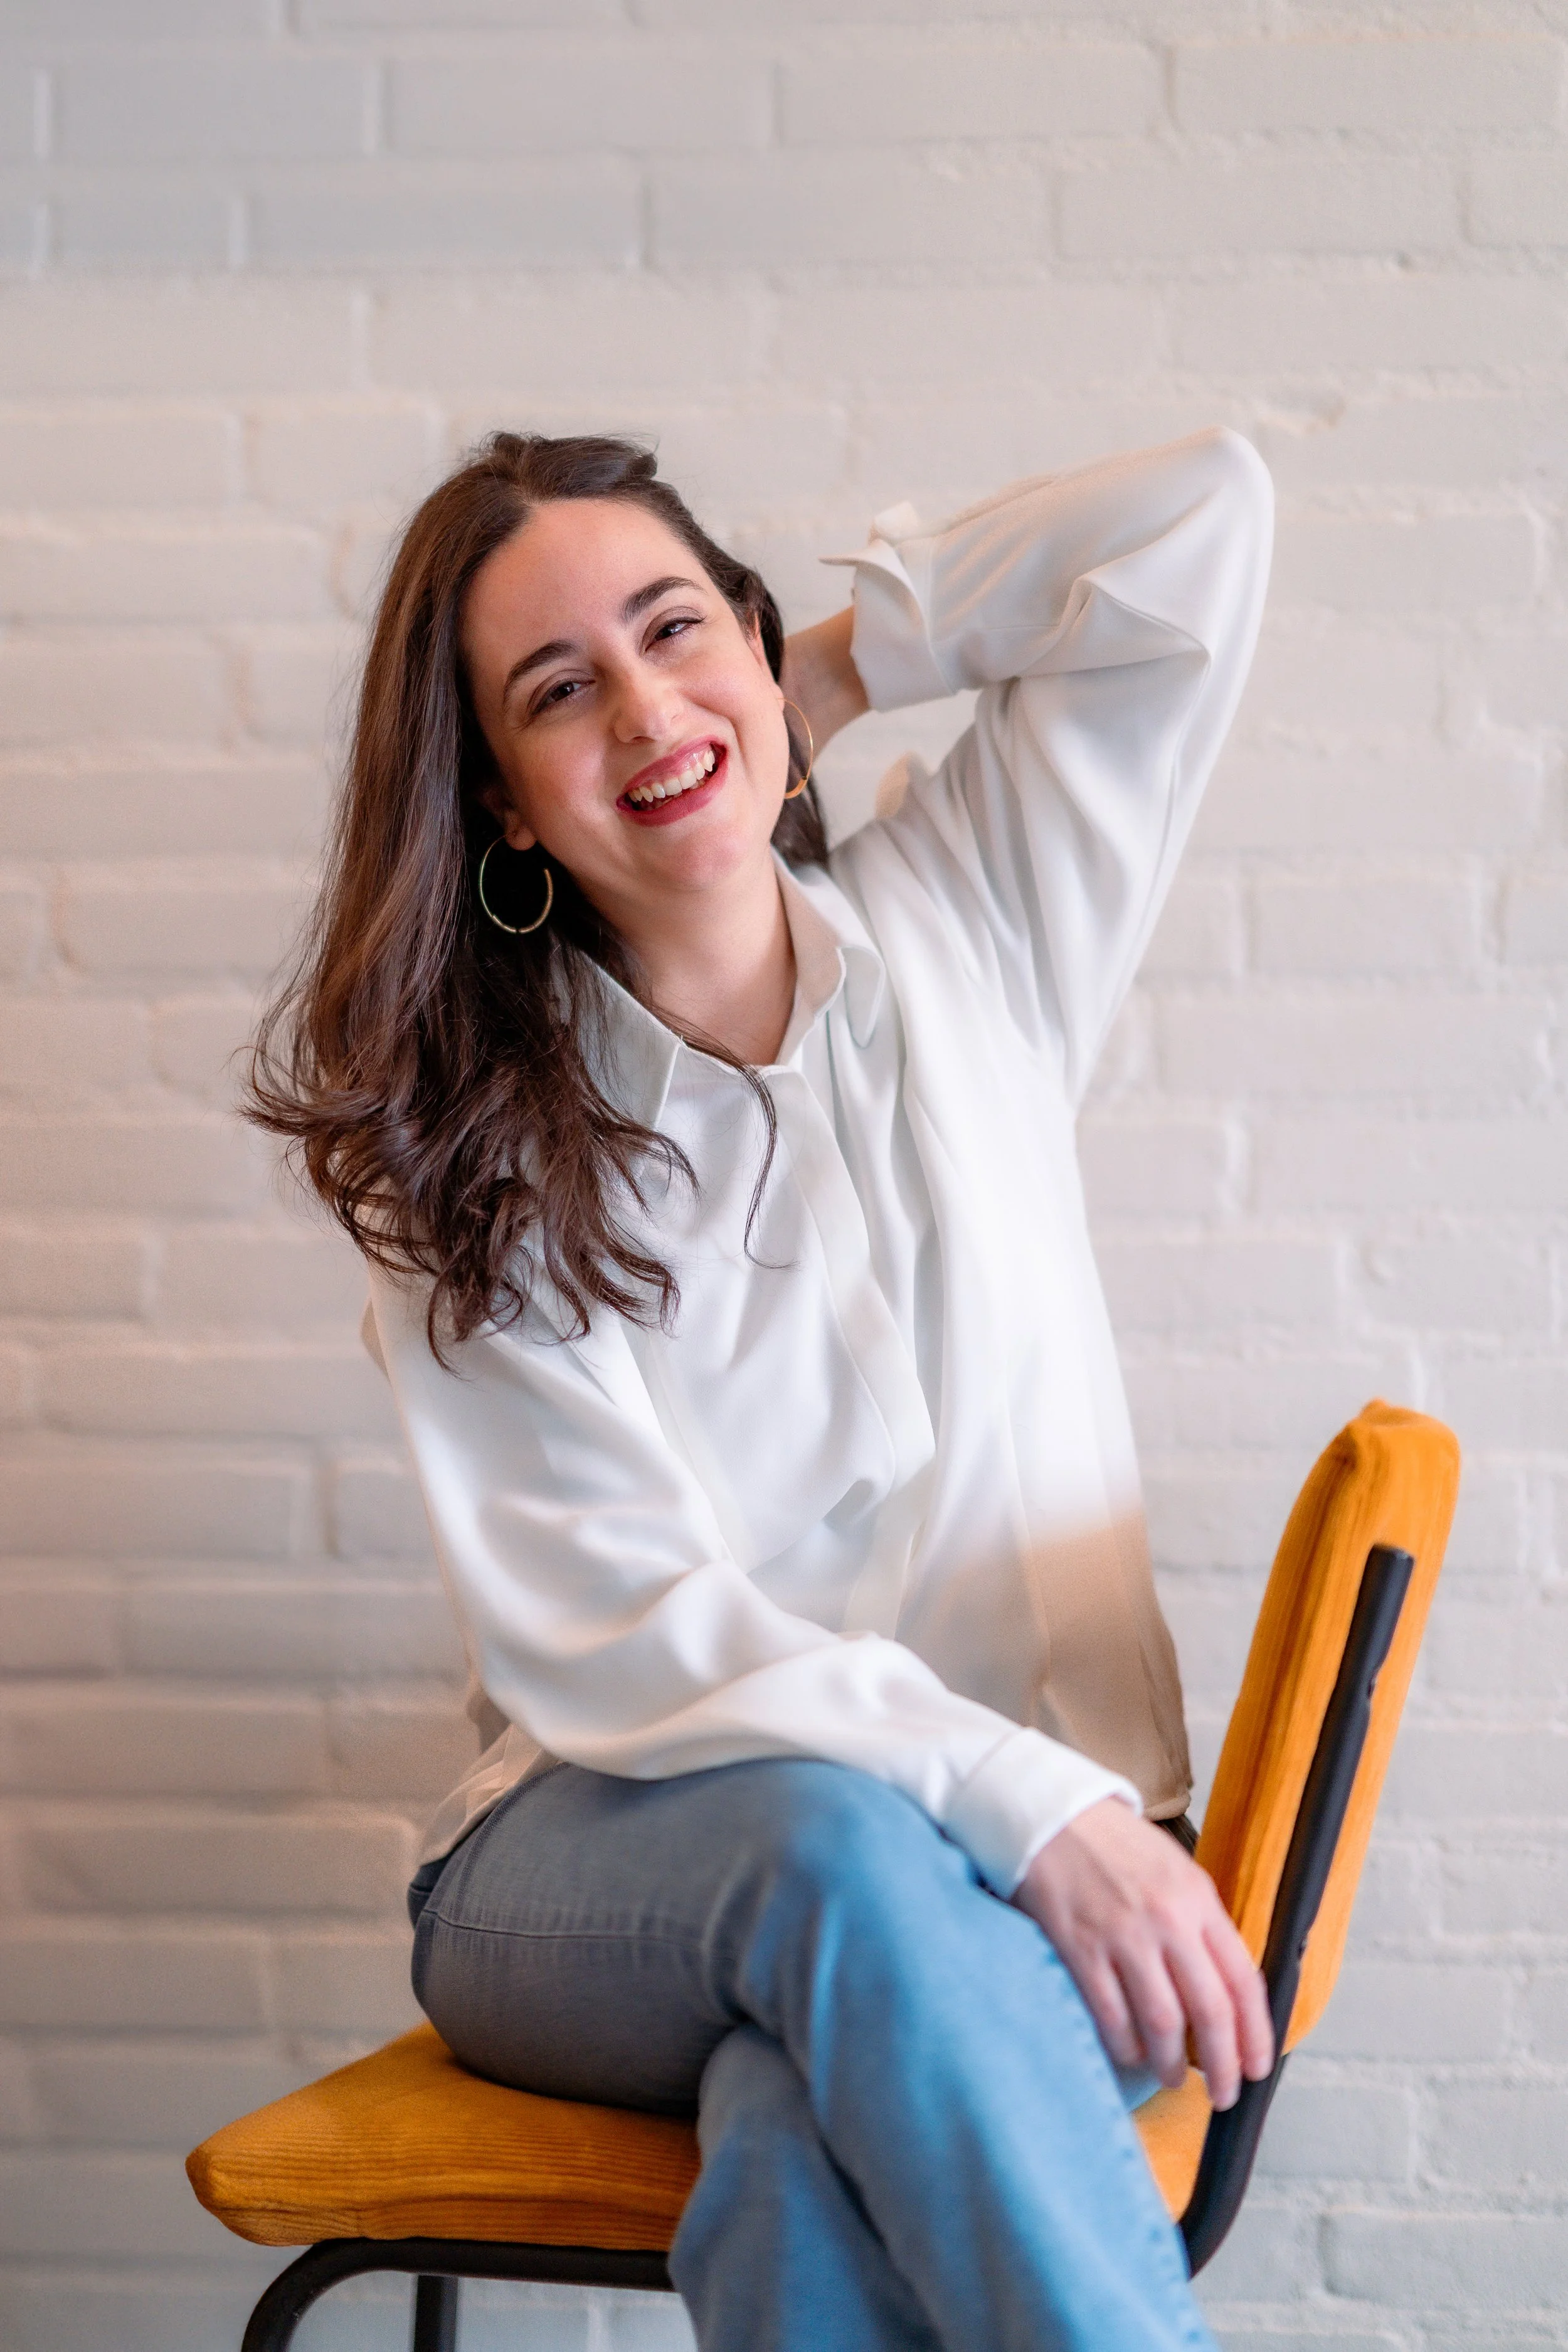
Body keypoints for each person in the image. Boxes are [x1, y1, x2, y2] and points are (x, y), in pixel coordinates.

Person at [246, 421, 1276, 2351]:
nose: (643, 707)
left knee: (800, 2137)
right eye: (562, 691)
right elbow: (641, 1635)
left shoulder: (979, 926)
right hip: (594, 1873)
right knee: (830, 1841)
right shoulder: (474, 1173)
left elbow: (1204, 521)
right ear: (505, 812)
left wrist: (825, 667)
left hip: (1005, 1892)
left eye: (673, 627)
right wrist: (1032, 1806)